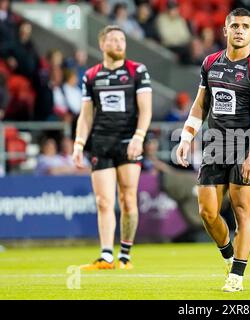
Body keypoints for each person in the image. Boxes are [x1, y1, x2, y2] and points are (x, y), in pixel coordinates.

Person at [176, 8, 250, 292]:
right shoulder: (210, 63)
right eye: (235, 26)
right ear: (225, 30)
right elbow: (200, 104)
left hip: (245, 145)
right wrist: (186, 137)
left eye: (245, 26)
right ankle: (229, 256)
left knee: (243, 211)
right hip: (215, 145)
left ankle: (237, 276)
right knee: (207, 212)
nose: (240, 30)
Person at [72, 25, 152, 270]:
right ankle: (106, 256)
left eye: (122, 40)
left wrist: (139, 136)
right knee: (104, 201)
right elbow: (85, 116)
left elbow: (146, 109)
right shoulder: (91, 76)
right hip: (101, 143)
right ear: (102, 45)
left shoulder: (137, 71)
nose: (119, 43)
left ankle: (125, 254)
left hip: (129, 142)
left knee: (127, 199)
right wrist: (78, 143)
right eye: (113, 40)